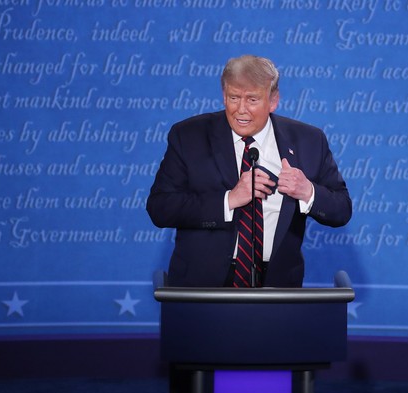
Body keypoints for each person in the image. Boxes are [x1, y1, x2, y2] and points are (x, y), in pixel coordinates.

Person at [147, 54, 352, 288]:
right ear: (224, 95)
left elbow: (342, 209)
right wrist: (229, 200)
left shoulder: (309, 141)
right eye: (234, 98)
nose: (241, 110)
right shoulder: (189, 136)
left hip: (277, 288)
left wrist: (308, 192)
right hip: (201, 286)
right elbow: (160, 208)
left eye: (252, 100)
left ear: (273, 100)